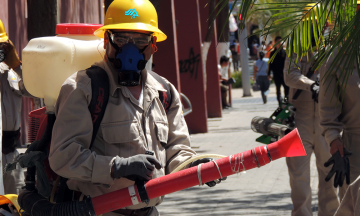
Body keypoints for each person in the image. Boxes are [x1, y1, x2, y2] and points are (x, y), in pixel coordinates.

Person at [49, 1, 223, 216]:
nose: (130, 49)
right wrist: (117, 166)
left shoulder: (164, 92)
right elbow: (63, 157)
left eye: (140, 40)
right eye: (121, 38)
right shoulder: (83, 89)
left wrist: (196, 166)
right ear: (106, 41)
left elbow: (177, 150)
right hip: (99, 211)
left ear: (153, 45)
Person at [283, 49, 339, 215]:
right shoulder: (296, 49)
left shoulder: (333, 49)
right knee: (298, 176)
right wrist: (311, 85)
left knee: (331, 175)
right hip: (300, 120)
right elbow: (290, 75)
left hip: (328, 121)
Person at [319, 47, 360, 200]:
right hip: (355, 147)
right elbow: (328, 105)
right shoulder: (335, 56)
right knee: (354, 204)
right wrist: (333, 137)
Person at [0, 19, 27, 195]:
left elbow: (34, 91)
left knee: (16, 205)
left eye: (2, 46)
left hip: (10, 154)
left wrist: (17, 66)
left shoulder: (9, 73)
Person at [268, 36, 289, 106]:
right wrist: (268, 74)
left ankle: (286, 102)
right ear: (275, 43)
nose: (280, 44)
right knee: (278, 89)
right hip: (276, 74)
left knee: (286, 89)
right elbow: (270, 64)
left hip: (285, 74)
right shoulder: (272, 53)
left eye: (281, 42)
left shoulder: (285, 52)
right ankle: (280, 103)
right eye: (278, 42)